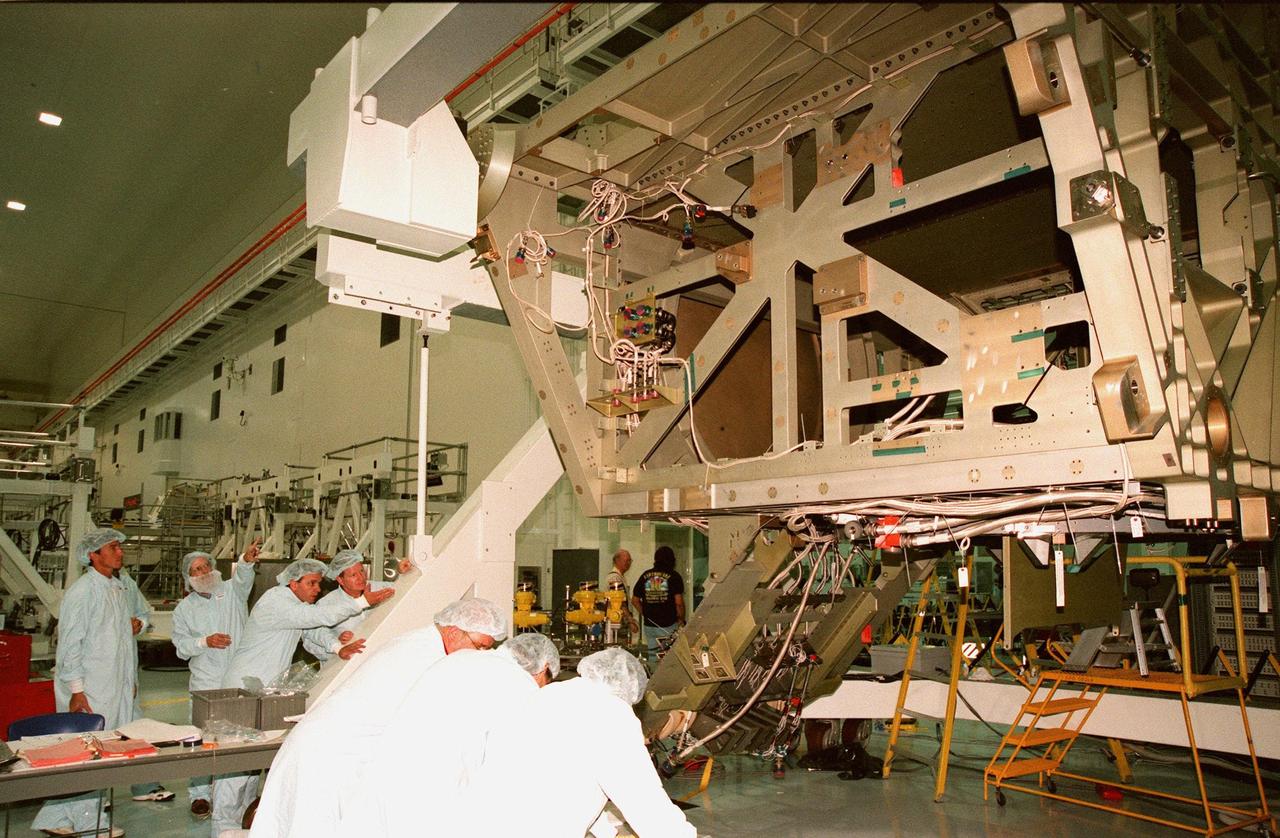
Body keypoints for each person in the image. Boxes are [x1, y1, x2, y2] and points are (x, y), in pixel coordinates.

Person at [247, 598, 509, 838]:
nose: (481, 655)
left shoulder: (423, 645)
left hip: (329, 750)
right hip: (328, 758)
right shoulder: (422, 657)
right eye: (480, 647)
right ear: (454, 632)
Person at [210, 558, 394, 837]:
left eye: (319, 583)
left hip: (264, 691)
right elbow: (313, 619)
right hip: (243, 691)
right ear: (293, 583)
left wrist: (336, 647)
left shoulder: (294, 605)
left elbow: (313, 629)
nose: (317, 589)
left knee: (248, 772)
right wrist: (360, 603)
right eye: (312, 583)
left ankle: (240, 830)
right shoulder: (276, 602)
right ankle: (222, 830)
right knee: (233, 773)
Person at [468, 647, 695, 837]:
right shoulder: (612, 715)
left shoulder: (548, 695)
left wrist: (607, 832)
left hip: (480, 820)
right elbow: (644, 801)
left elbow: (559, 780)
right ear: (631, 690)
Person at [356, 632, 560, 836]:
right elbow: (510, 760)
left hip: (387, 775)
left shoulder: (462, 658)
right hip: (432, 794)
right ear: (544, 668)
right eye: (548, 681)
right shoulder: (520, 683)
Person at [30, 527, 148, 837]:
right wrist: (77, 691)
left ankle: (56, 817)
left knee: (97, 751)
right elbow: (70, 645)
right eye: (113, 547)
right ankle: (88, 823)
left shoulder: (116, 587)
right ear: (94, 555)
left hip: (113, 684)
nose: (120, 552)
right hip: (90, 688)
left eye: (119, 547)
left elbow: (122, 641)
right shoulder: (83, 592)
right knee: (88, 752)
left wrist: (129, 679)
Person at [170, 540, 261, 818]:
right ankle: (199, 794)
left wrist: (245, 560)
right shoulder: (184, 609)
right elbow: (180, 647)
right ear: (189, 578)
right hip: (206, 680)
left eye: (206, 565)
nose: (204, 572)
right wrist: (204, 641)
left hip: (237, 676)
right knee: (202, 736)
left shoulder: (232, 592)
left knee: (242, 734)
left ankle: (246, 794)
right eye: (197, 569)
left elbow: (244, 578)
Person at [299, 550, 403, 661]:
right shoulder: (327, 604)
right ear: (340, 580)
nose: (361, 577)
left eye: (362, 571)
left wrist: (404, 574)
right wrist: (337, 643)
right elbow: (310, 635)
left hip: (382, 656)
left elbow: (406, 590)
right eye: (353, 575)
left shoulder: (380, 589)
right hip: (350, 665)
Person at [632, 546, 686, 664]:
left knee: (653, 656)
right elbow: (679, 603)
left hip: (649, 625)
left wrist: (646, 613)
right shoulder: (674, 576)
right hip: (668, 625)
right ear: (672, 560)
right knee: (668, 659)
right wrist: (681, 619)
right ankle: (665, 681)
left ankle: (653, 679)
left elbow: (635, 600)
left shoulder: (645, 575)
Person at [605, 549, 640, 637]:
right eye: (626, 560)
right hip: (616, 622)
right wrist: (630, 620)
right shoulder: (614, 578)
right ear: (617, 560)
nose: (629, 563)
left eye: (630, 561)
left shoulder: (620, 577)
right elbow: (619, 602)